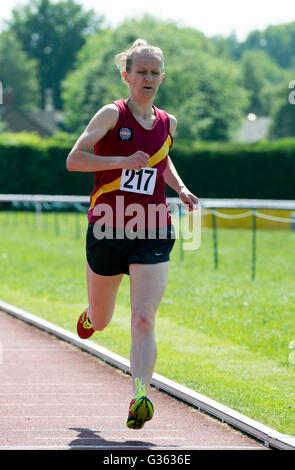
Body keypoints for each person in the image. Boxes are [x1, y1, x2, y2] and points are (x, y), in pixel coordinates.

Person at [66, 38, 198, 430]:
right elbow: (74, 160)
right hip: (107, 226)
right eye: (141, 71)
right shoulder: (111, 114)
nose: (149, 78)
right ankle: (91, 315)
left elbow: (161, 157)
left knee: (143, 318)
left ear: (162, 77)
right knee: (104, 321)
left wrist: (180, 188)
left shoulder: (167, 122)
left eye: (155, 72)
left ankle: (140, 396)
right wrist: (122, 160)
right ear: (126, 75)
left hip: (153, 226)